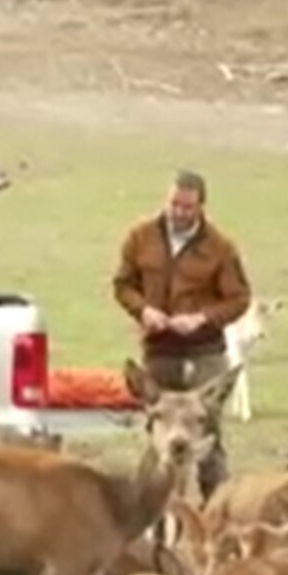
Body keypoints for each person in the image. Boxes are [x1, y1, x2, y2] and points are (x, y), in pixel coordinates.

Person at [110, 170, 251, 495]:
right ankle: (152, 511)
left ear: (201, 207)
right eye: (174, 204)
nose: (179, 213)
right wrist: (143, 310)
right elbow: (123, 285)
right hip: (160, 351)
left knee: (207, 440)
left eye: (187, 207)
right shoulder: (140, 237)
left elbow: (239, 298)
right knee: (159, 435)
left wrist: (202, 318)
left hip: (205, 352)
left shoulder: (221, 248)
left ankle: (214, 512)